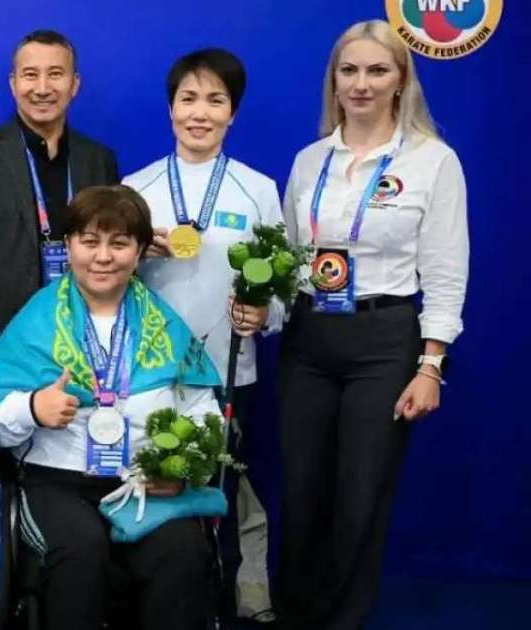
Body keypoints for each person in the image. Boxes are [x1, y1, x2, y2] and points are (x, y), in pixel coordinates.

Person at [276, 20, 468, 630]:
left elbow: (444, 268)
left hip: (385, 342)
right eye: (349, 70)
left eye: (376, 70)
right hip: (308, 339)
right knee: (302, 495)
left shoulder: (433, 161)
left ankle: (342, 622)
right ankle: (295, 616)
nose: (361, 84)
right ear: (333, 81)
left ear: (401, 80)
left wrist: (430, 364)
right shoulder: (310, 161)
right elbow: (287, 258)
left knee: (360, 498)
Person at [0, 185, 220, 630]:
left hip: (146, 485)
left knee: (183, 554)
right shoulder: (36, 321)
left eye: (119, 243)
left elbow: (203, 408)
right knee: (79, 555)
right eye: (89, 241)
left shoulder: (165, 324)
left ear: (141, 251)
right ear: (68, 246)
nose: (103, 256)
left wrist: (182, 467)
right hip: (58, 484)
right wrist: (32, 408)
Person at [121, 48, 280, 622]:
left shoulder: (258, 190)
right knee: (154, 491)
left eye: (215, 100)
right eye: (188, 99)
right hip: (147, 376)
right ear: (169, 109)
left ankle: (223, 604)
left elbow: (280, 288)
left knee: (219, 497)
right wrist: (137, 250)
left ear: (232, 113)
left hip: (229, 374)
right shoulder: (134, 188)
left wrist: (264, 315)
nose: (200, 112)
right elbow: (104, 281)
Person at [0, 29, 119, 376]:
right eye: (30, 75)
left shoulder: (99, 160)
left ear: (74, 84)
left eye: (56, 74)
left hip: (83, 343)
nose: (42, 88)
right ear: (13, 83)